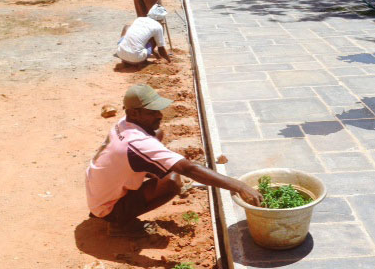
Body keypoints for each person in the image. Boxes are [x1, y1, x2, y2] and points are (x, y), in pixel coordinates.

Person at [86, 84, 262, 235]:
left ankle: (139, 185)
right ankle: (120, 225)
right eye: (152, 112)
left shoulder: (124, 122)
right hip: (107, 207)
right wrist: (240, 186)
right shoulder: (137, 143)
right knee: (171, 181)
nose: (160, 115)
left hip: (98, 192)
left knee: (157, 133)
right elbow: (188, 169)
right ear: (135, 113)